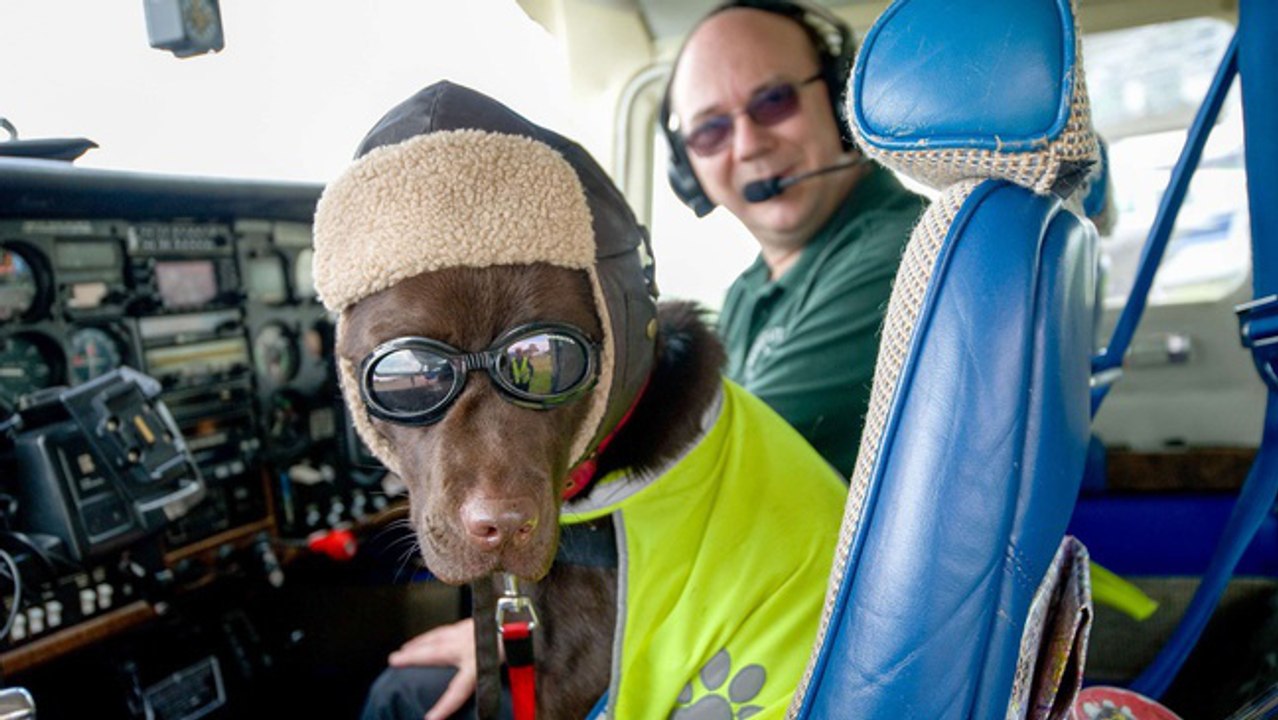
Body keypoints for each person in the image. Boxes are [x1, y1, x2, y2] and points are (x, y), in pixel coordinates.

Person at [661, 0, 928, 477]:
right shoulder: (749, 290)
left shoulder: (905, 253)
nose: (748, 145)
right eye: (710, 131)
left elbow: (712, 471)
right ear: (688, 172)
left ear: (840, 101)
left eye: (773, 102)